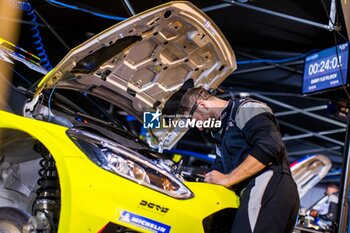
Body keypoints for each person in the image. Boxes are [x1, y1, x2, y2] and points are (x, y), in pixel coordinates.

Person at [177, 87, 300, 233]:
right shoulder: (220, 132)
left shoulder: (247, 108)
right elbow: (219, 170)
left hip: (269, 185)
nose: (199, 128)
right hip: (259, 190)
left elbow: (270, 146)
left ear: (202, 105)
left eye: (195, 121)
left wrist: (229, 178)